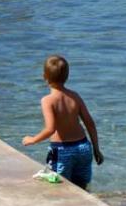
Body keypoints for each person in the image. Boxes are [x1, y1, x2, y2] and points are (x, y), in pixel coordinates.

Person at [21, 54, 104, 189]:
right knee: (82, 186)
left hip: (61, 150)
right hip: (83, 148)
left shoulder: (47, 100)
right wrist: (96, 149)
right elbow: (90, 123)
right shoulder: (75, 96)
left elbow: (50, 129)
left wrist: (32, 140)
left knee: (59, 187)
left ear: (44, 77)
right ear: (67, 76)